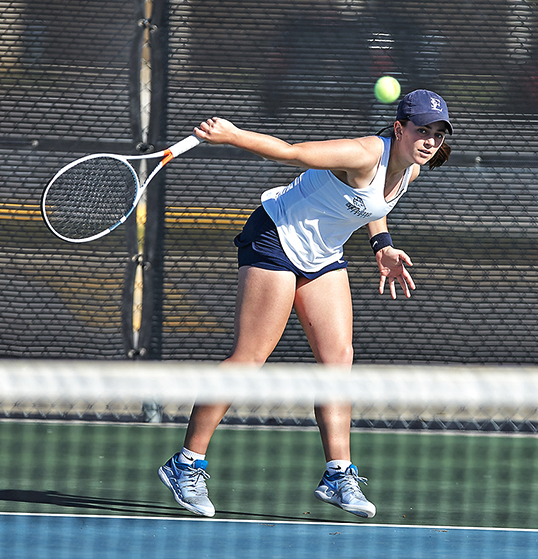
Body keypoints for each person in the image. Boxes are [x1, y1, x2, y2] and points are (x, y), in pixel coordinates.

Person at [157, 90, 452, 519]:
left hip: (321, 254)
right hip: (275, 237)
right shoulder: (363, 152)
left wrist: (382, 246)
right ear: (399, 128)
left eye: (437, 134)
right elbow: (292, 153)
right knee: (249, 358)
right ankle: (185, 464)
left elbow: (373, 206)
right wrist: (233, 135)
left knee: (338, 361)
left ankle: (337, 473)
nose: (429, 141)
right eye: (421, 131)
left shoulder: (411, 171)